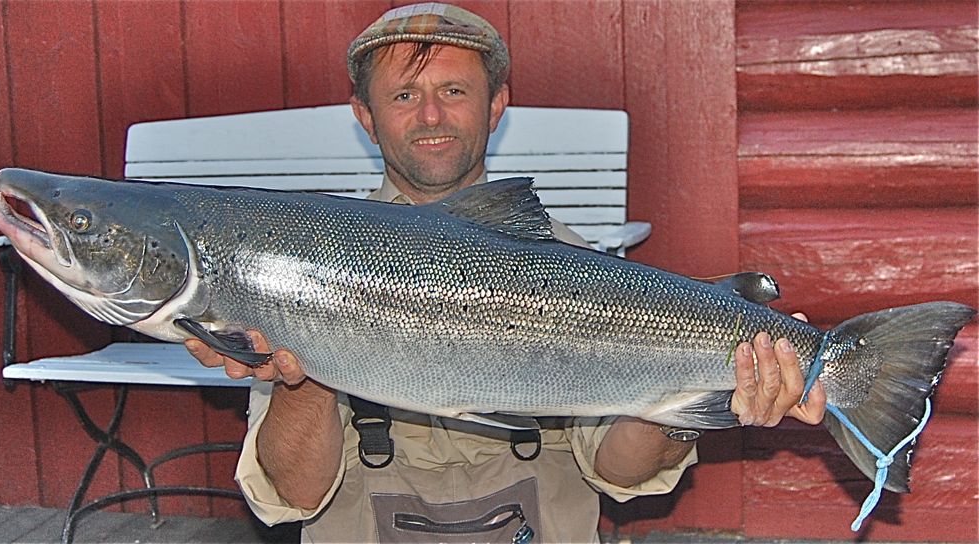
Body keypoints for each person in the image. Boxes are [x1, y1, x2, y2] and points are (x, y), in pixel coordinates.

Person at [187, 3, 826, 542]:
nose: (431, 116)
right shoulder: (305, 269)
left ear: (496, 106)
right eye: (405, 95)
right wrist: (305, 373)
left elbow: (623, 473)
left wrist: (686, 402)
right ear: (365, 117)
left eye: (454, 91)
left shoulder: (573, 270)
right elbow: (294, 495)